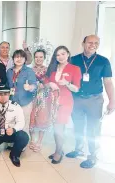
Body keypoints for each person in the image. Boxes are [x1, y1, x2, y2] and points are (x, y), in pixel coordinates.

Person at [68, 35, 115, 168]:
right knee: (78, 125)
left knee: (93, 128)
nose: (93, 45)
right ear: (83, 43)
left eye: (96, 43)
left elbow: (108, 82)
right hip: (76, 98)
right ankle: (78, 149)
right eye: (90, 42)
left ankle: (92, 155)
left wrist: (112, 100)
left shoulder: (103, 61)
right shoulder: (74, 60)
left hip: (95, 99)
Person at [45, 46, 81, 164]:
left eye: (63, 54)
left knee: (59, 128)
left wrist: (67, 83)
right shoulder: (52, 67)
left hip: (65, 101)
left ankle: (58, 152)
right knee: (56, 127)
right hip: (52, 101)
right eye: (58, 55)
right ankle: (58, 149)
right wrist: (50, 83)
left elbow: (76, 88)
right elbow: (45, 80)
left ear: (68, 54)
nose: (60, 57)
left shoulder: (74, 68)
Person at [0, 85, 29, 167]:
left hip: (10, 131)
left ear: (9, 94)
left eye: (5, 94)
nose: (3, 97)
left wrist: (14, 129)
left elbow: (21, 122)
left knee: (24, 137)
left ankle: (14, 155)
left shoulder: (16, 106)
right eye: (0, 94)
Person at [29, 49, 55, 152]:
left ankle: (39, 141)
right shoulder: (29, 70)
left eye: (41, 57)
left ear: (44, 58)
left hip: (44, 98)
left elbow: (51, 84)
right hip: (31, 97)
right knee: (32, 118)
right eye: (36, 57)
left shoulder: (48, 70)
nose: (38, 59)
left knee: (42, 119)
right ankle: (32, 140)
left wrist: (44, 85)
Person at [7, 50, 37, 137]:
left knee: (24, 123)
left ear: (25, 59)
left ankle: (23, 143)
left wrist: (29, 87)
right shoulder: (9, 71)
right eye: (16, 57)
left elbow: (34, 85)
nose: (19, 59)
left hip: (25, 102)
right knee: (12, 122)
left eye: (21, 57)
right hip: (12, 102)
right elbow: (8, 85)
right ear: (13, 59)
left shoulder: (29, 71)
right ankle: (12, 141)